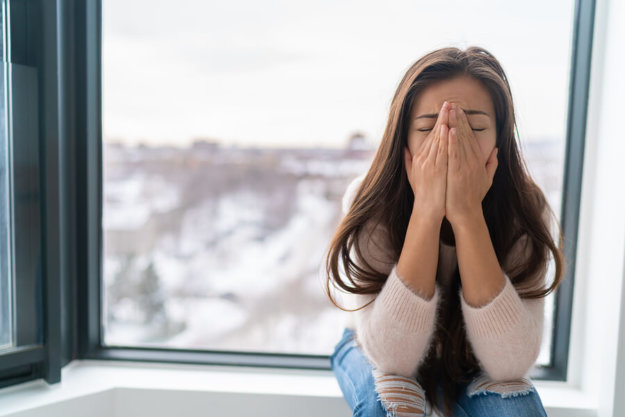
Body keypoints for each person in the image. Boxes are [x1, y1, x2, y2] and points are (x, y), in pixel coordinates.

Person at [324, 46, 566, 417]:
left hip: (473, 359)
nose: (451, 142)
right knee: (390, 402)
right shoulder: (370, 199)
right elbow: (392, 358)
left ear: (501, 137)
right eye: (427, 129)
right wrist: (427, 209)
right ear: (402, 139)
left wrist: (468, 214)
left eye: (476, 128)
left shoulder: (527, 208)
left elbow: (510, 365)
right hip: (371, 344)